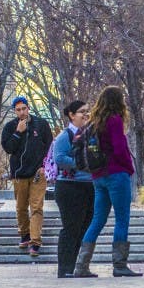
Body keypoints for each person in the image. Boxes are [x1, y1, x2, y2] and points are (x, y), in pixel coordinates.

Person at [73, 86, 142, 278]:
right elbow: (120, 149)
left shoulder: (93, 123)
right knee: (122, 219)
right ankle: (119, 266)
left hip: (98, 177)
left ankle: (81, 266)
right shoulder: (115, 120)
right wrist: (129, 169)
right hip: (116, 175)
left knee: (98, 220)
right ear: (117, 101)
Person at [0, 96, 53, 257]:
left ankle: (35, 241)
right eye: (18, 110)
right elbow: (8, 148)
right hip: (19, 174)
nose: (22, 112)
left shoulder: (41, 124)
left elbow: (50, 146)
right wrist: (18, 132)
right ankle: (25, 234)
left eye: (24, 108)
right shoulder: (10, 127)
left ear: (28, 108)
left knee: (36, 207)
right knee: (21, 207)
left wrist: (45, 167)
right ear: (14, 111)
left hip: (38, 173)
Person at [52, 100, 94, 278]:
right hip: (69, 188)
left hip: (88, 186)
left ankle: (79, 267)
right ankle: (65, 268)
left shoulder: (90, 135)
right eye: (81, 112)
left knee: (85, 227)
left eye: (87, 111)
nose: (85, 115)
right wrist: (81, 164)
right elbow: (60, 158)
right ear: (71, 115)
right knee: (71, 228)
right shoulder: (65, 136)